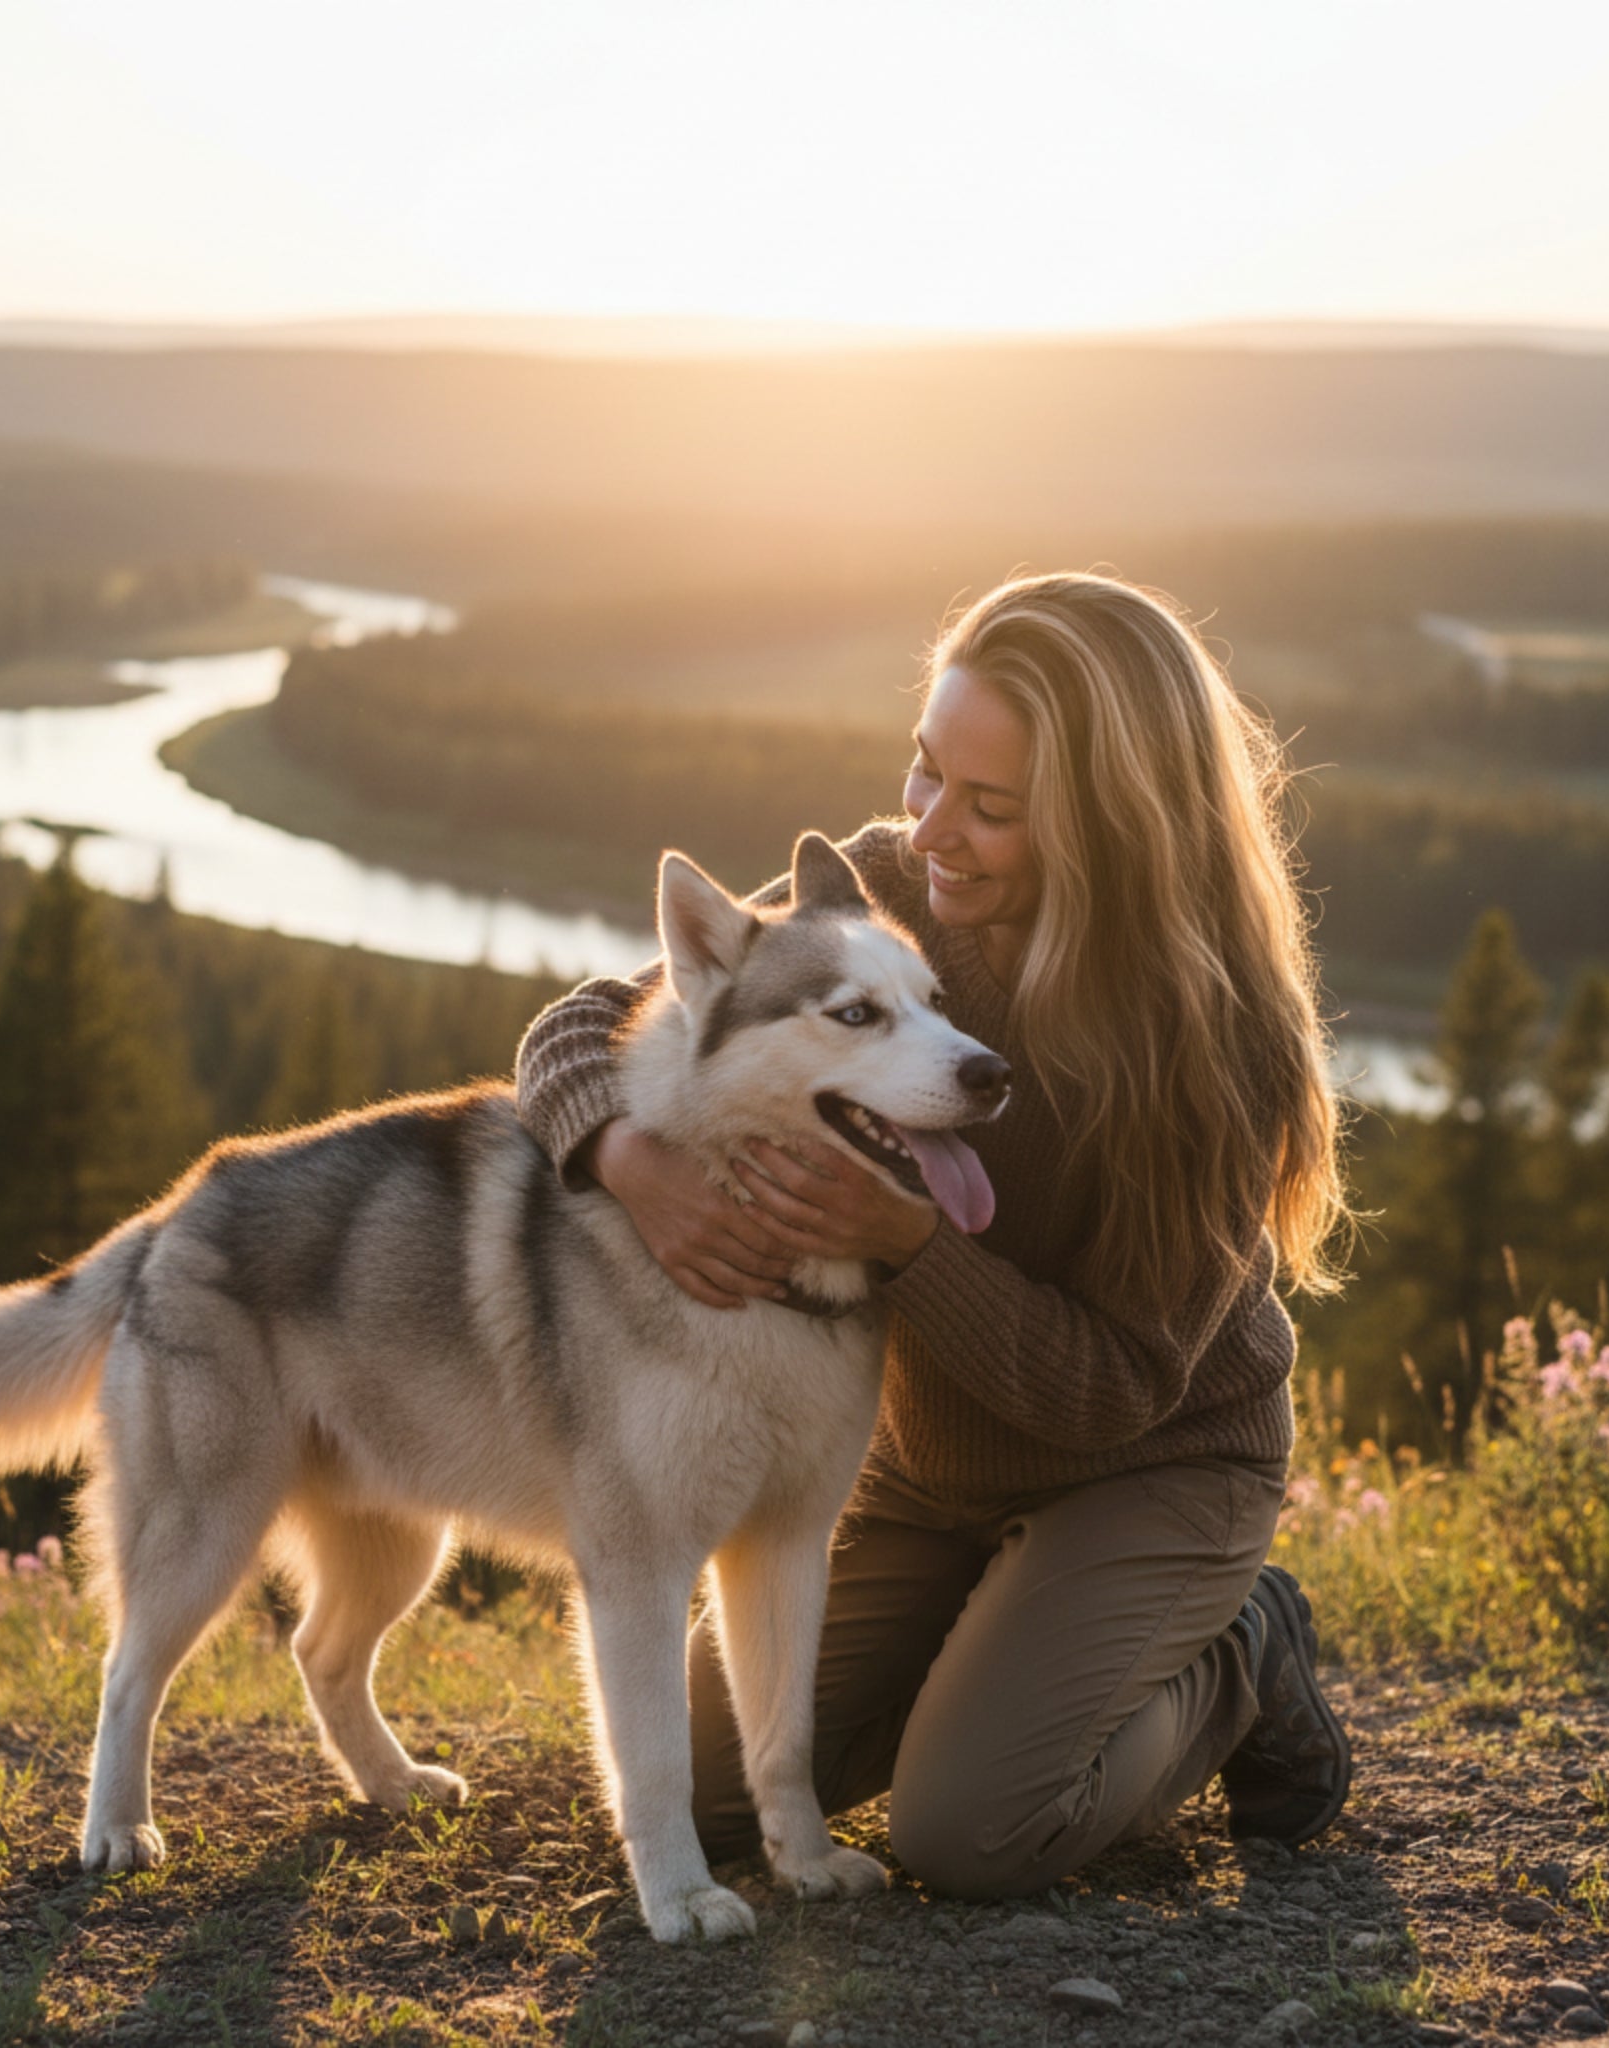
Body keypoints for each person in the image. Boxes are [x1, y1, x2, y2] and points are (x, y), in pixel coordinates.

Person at [513, 570, 1353, 1897]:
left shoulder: (1211, 1040)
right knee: (715, 1794)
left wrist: (908, 1244)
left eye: (991, 807)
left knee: (969, 1831)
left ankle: (1243, 1653)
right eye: (925, 772)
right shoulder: (891, 890)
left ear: (1108, 822)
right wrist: (622, 1158)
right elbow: (588, 1020)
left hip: (1152, 1465)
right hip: (923, 1474)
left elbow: (1113, 1392)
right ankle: (1004, 1656)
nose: (930, 830)